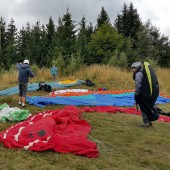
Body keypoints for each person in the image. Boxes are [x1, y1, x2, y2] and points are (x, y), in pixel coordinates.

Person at [131, 61, 159, 127]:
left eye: (134, 68)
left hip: (142, 94)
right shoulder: (142, 73)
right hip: (146, 93)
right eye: (132, 69)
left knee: (143, 108)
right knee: (147, 107)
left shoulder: (138, 74)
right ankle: (149, 121)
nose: (133, 70)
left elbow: (138, 84)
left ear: (138, 68)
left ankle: (146, 122)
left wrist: (136, 93)